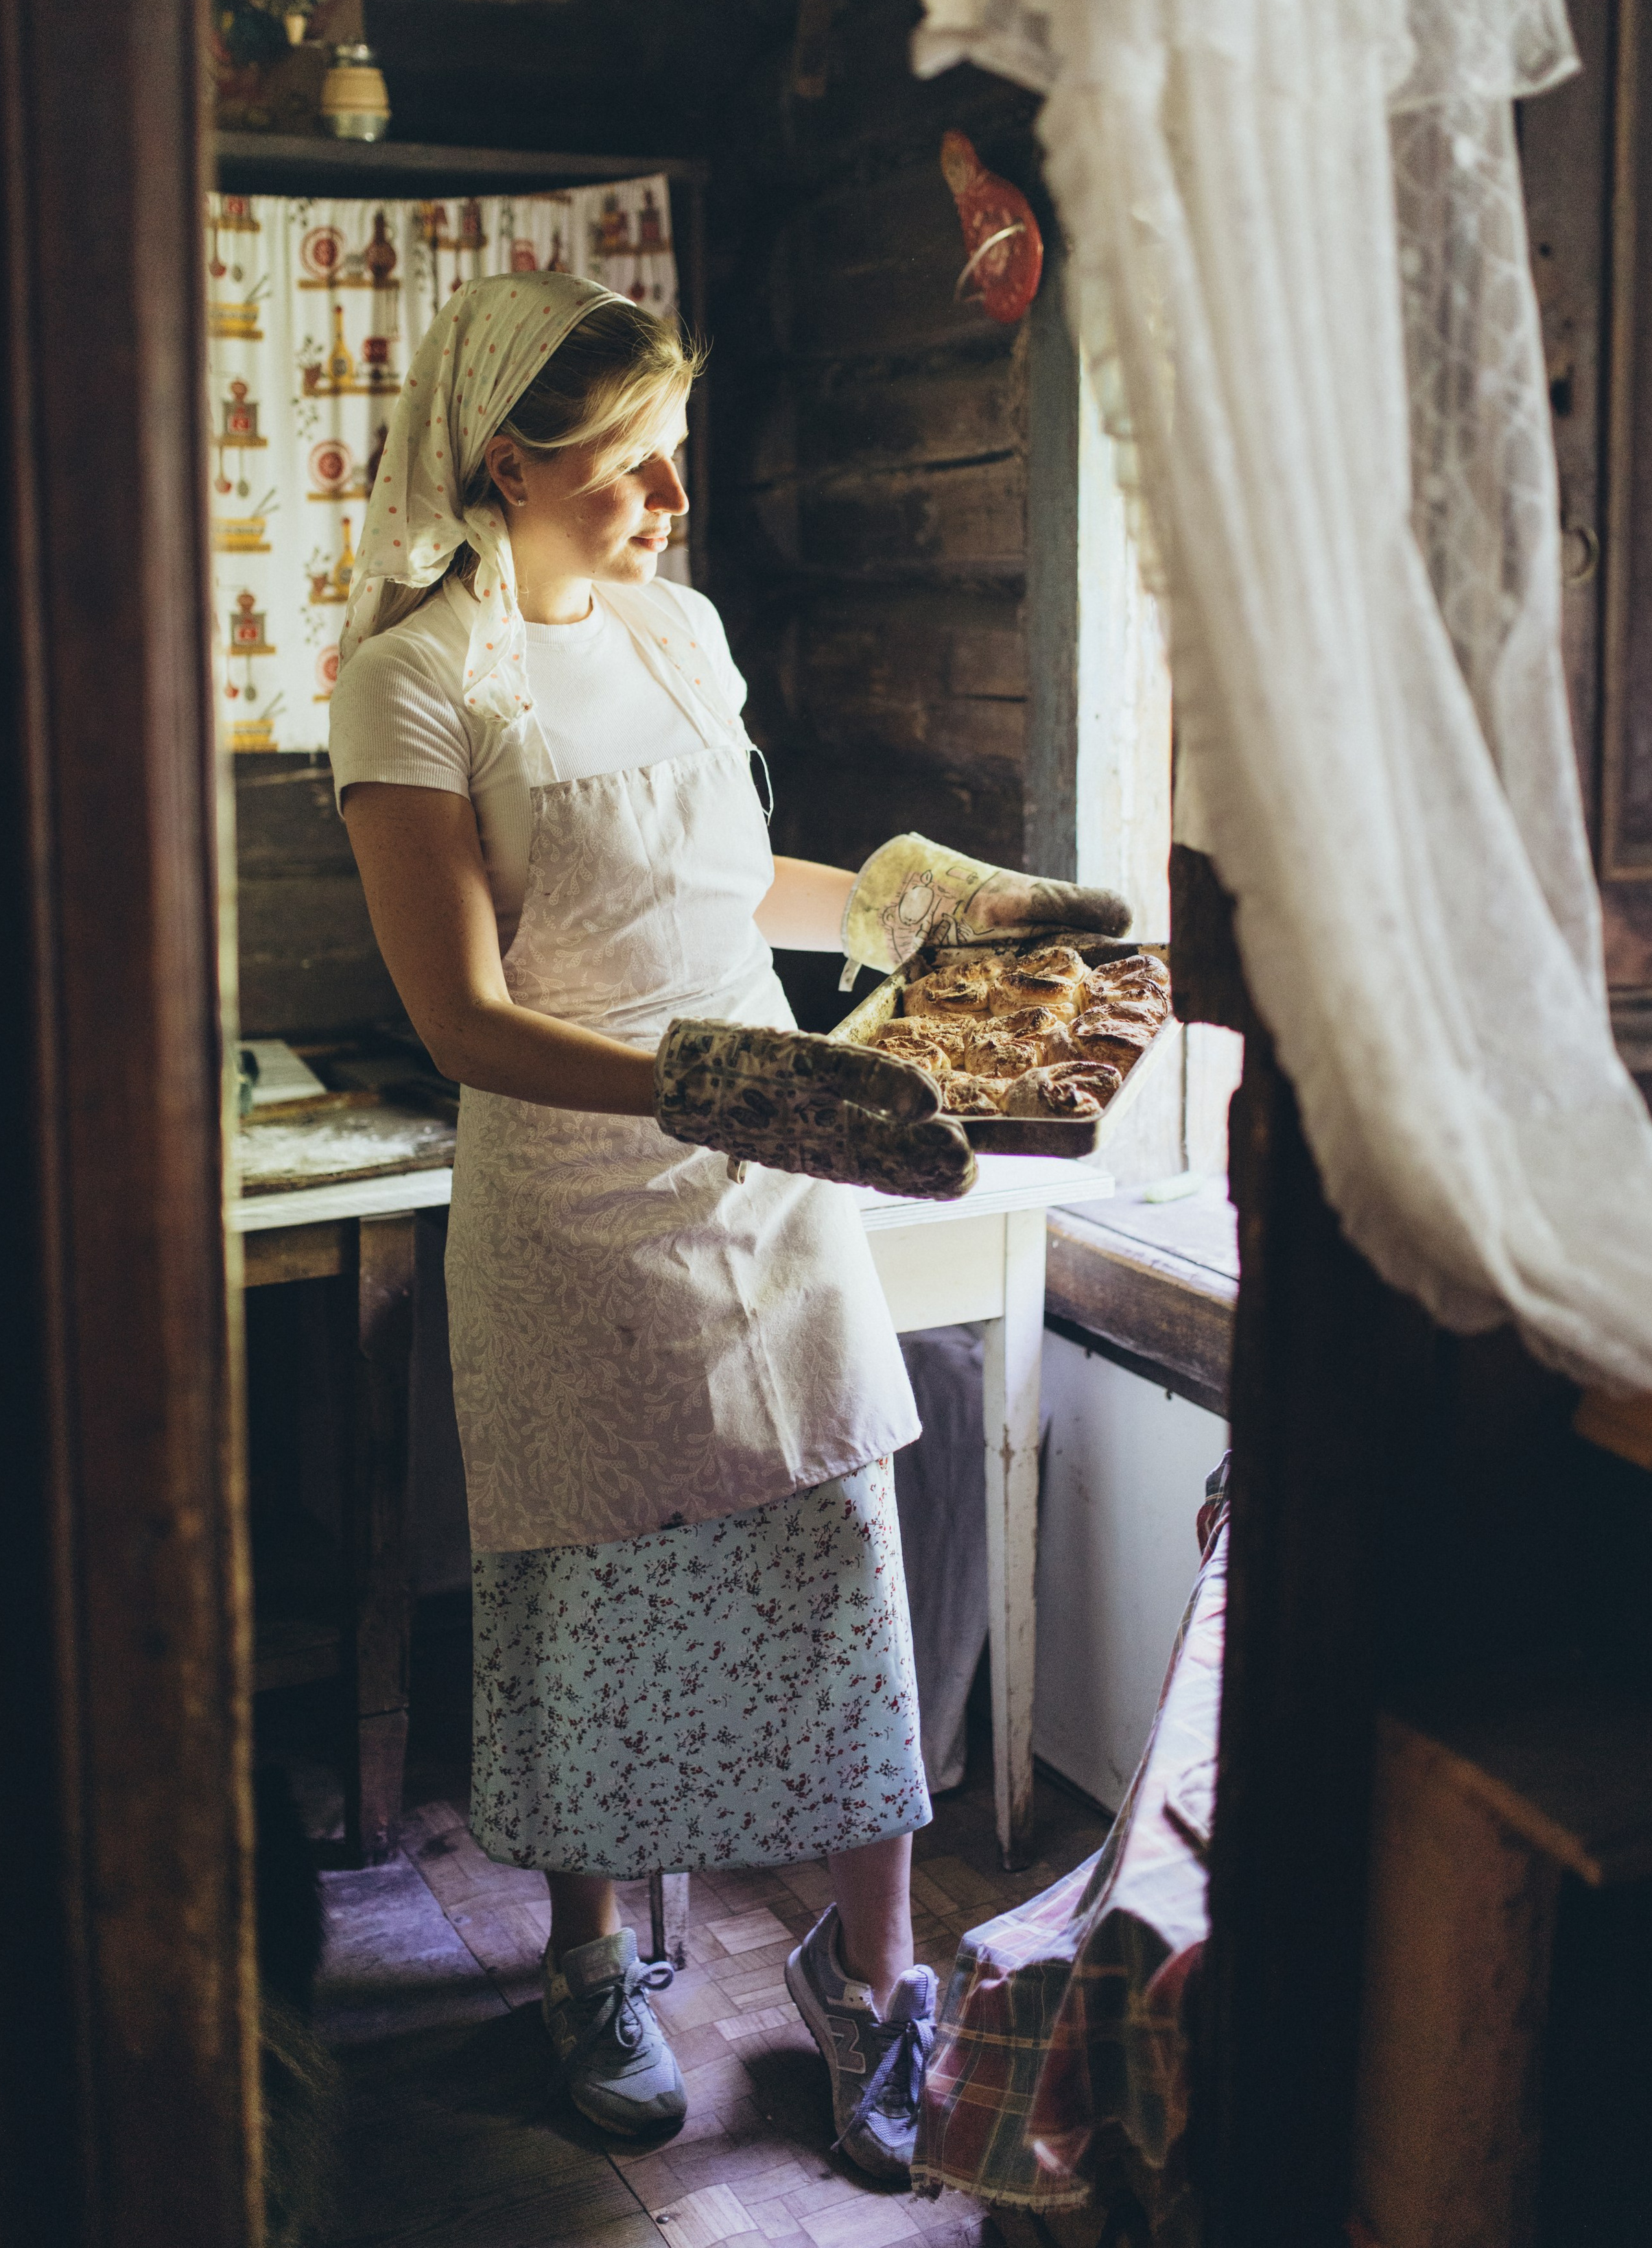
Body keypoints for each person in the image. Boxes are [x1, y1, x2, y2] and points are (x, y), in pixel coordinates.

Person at [329, 270, 1126, 2178]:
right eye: (629, 465)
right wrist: (719, 1086)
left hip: (773, 1191)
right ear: (510, 463)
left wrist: (901, 905)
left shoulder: (679, 631)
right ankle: (595, 1963)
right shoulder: (413, 682)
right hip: (581, 1202)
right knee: (599, 1601)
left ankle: (875, 1975)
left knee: (835, 1572)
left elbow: (718, 875)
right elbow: (462, 1016)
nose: (671, 499)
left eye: (672, 454)